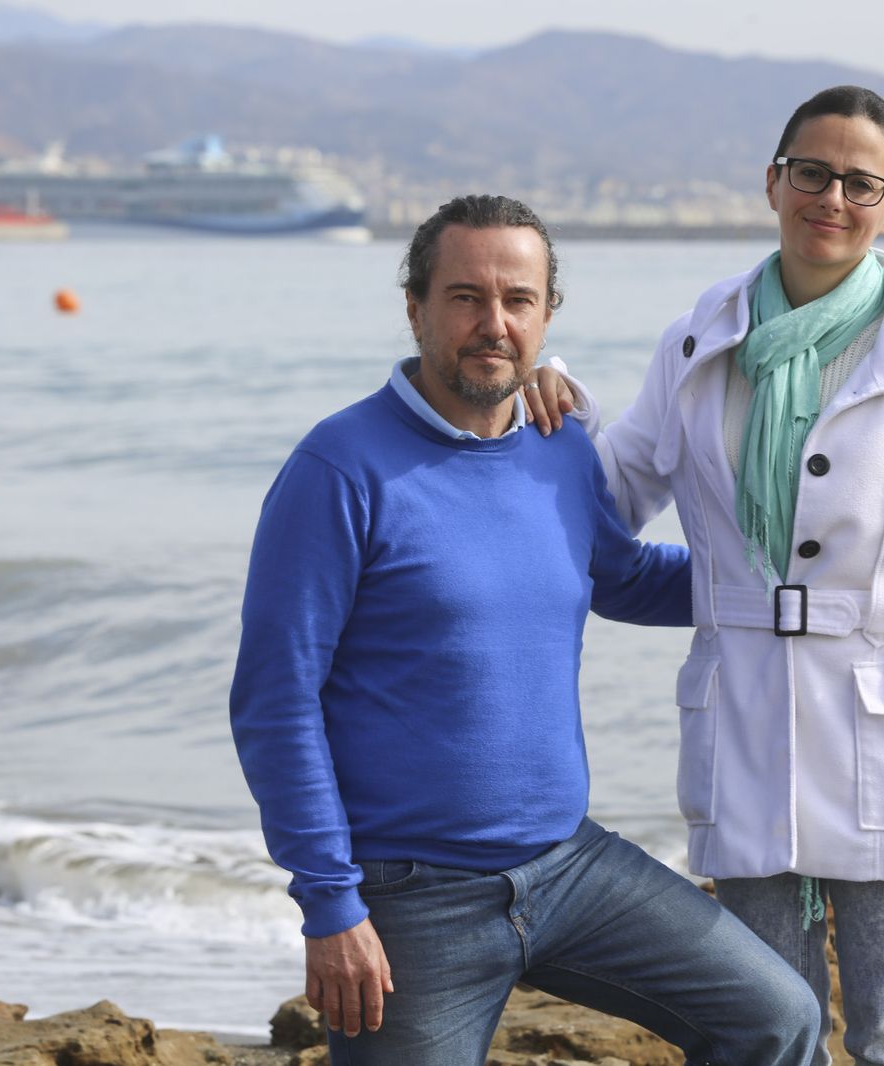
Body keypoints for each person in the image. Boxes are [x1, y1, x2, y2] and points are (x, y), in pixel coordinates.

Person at [229, 194, 820, 1066]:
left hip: (571, 868)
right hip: (409, 897)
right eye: (465, 297)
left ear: (546, 316)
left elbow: (617, 576)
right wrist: (331, 906)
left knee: (778, 1017)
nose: (492, 324)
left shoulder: (560, 447)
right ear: (416, 308)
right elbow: (276, 701)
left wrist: (792, 586)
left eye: (518, 300)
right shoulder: (338, 469)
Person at [527, 86, 884, 1065]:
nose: (831, 197)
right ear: (773, 181)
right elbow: (614, 493)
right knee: (767, 1028)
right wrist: (555, 406)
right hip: (746, 726)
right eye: (812, 172)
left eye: (860, 182)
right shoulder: (696, 342)